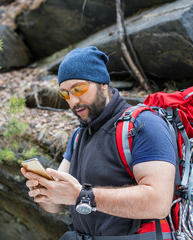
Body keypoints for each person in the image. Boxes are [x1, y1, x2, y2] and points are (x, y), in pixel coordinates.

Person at [21, 46, 176, 239]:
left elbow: (158, 203)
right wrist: (44, 192)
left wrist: (82, 196)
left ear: (103, 83)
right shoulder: (79, 136)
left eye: (79, 89)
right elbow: (56, 204)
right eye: (65, 94)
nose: (73, 101)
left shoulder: (144, 124)